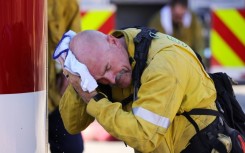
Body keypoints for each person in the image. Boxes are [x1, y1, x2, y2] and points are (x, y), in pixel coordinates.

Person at [57, 27, 230, 152]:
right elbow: (72, 125)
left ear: (112, 41)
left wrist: (94, 100)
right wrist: (78, 80)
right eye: (99, 78)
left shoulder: (164, 64)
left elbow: (144, 137)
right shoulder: (107, 61)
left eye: (108, 67)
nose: (110, 79)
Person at [48, 0, 84, 152]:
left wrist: (69, 72)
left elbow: (75, 37)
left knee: (71, 148)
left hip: (56, 92)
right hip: (14, 92)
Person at [148, 0, 206, 67]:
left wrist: (201, 64)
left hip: (188, 62)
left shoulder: (193, 20)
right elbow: (154, 47)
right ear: (171, 9)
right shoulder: (158, 21)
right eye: (176, 15)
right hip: (166, 63)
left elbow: (199, 44)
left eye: (181, 15)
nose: (179, 18)